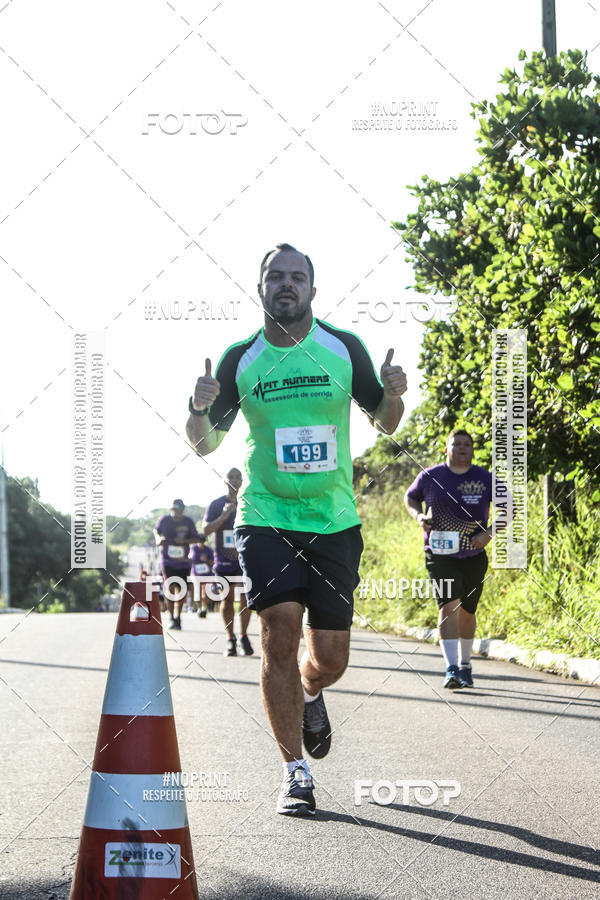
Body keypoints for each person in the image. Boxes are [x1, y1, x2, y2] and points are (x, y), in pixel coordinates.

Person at [185, 242, 406, 816]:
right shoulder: (240, 360)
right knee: (279, 635)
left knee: (330, 658)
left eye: (297, 277)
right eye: (276, 277)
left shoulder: (342, 348)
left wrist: (396, 394)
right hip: (265, 517)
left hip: (334, 521)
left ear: (312, 288)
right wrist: (197, 408)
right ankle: (294, 772)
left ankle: (312, 691)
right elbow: (206, 442)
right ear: (260, 288)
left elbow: (384, 422)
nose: (287, 285)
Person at [404, 429, 495, 690]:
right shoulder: (431, 476)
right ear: (447, 449)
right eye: (456, 444)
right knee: (448, 605)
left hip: (473, 554)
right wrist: (419, 517)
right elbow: (410, 497)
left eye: (467, 444)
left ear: (473, 450)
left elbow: (509, 506)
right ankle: (451, 668)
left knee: (467, 611)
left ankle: (465, 665)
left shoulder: (484, 478)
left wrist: (489, 534)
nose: (461, 448)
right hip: (439, 552)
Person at [203, 469, 253, 656]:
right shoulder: (216, 504)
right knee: (227, 599)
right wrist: (223, 516)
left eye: (237, 476)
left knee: (246, 599)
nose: (233, 480)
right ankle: (230, 638)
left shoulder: (248, 501)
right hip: (224, 561)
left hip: (246, 558)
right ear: (225, 480)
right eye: (230, 476)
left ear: (242, 480)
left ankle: (244, 635)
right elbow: (206, 530)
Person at [153, 499, 200, 630]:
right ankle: (171, 617)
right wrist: (159, 539)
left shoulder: (188, 521)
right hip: (167, 561)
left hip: (183, 562)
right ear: (171, 509)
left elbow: (197, 538)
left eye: (180, 509)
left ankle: (178, 617)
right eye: (174, 509)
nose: (177, 511)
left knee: (182, 590)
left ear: (183, 509)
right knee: (170, 587)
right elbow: (156, 531)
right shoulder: (164, 520)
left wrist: (184, 540)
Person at [189, 534, 214, 618]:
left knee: (206, 593)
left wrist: (206, 560)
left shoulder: (209, 550)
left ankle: (204, 607)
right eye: (199, 541)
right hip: (196, 573)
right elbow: (189, 558)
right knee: (198, 591)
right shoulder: (193, 549)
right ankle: (199, 608)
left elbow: (213, 563)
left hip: (207, 574)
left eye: (202, 542)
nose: (201, 543)